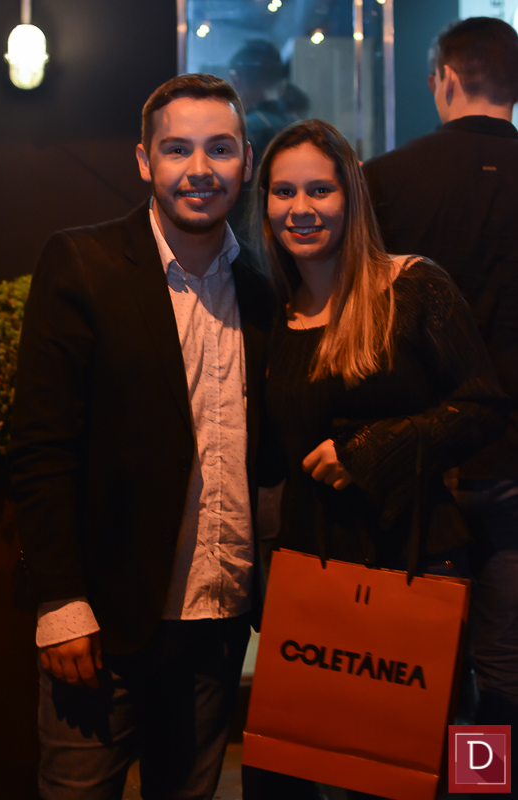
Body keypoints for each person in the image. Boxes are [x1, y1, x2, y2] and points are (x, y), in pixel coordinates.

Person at [9, 73, 273, 800]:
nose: (200, 169)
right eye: (177, 149)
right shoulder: (82, 263)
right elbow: (42, 448)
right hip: (102, 622)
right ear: (143, 160)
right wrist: (61, 603)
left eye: (220, 148)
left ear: (246, 160)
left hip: (217, 622)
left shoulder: (260, 287)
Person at [244, 118, 507, 800]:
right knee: (292, 770)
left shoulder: (412, 287)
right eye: (283, 192)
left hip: (412, 557)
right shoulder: (274, 314)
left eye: (319, 190)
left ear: (351, 196)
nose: (300, 208)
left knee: (411, 770)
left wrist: (370, 452)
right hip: (312, 567)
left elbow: (483, 405)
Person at [362, 16, 518, 735]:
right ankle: (486, 780)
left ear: (446, 79)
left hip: (421, 458)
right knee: (505, 666)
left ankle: (422, 782)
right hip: (513, 461)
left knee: (414, 662)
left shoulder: (385, 180)